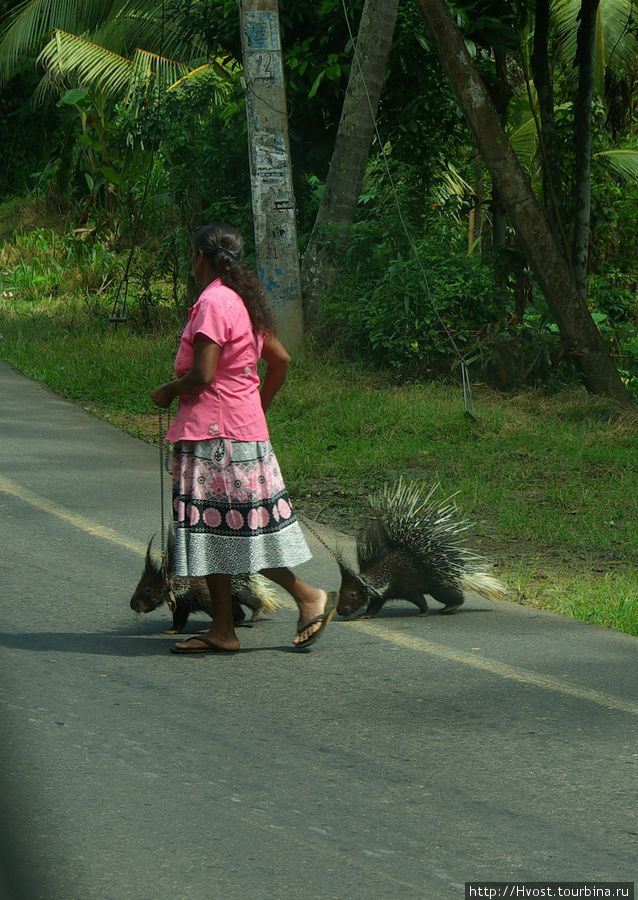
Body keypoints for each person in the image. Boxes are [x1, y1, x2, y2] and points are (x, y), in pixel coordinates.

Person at [150, 223, 337, 654]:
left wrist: (168, 391)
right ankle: (223, 631)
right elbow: (281, 361)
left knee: (226, 530)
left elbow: (202, 376)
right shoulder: (242, 302)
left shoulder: (214, 301)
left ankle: (308, 596)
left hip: (215, 440)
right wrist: (254, 411)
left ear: (200, 256)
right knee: (221, 532)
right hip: (240, 433)